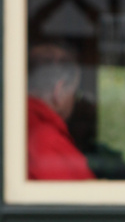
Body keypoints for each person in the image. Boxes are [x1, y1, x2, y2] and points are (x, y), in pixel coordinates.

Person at [27, 44, 97, 181]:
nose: (74, 102)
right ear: (58, 91)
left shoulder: (13, 130)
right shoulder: (53, 150)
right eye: (74, 93)